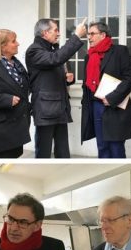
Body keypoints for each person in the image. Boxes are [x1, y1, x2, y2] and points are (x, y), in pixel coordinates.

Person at [25, 18, 87, 158]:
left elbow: (53, 72)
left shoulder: (52, 50)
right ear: (45, 33)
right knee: (43, 153)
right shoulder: (34, 51)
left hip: (59, 108)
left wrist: (68, 80)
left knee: (63, 152)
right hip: (45, 110)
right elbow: (55, 59)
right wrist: (76, 36)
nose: (58, 33)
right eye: (56, 30)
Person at [81, 22, 131, 158]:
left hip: (114, 106)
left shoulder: (120, 51)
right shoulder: (89, 56)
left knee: (116, 147)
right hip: (96, 106)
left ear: (103, 35)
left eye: (92, 34)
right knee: (102, 147)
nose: (89, 37)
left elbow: (130, 78)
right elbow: (87, 84)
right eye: (88, 34)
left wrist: (111, 98)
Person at [0, 29, 31, 158]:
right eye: (13, 41)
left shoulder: (16, 64)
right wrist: (6, 99)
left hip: (19, 125)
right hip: (2, 129)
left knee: (15, 156)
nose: (18, 44)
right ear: (2, 46)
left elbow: (25, 87)